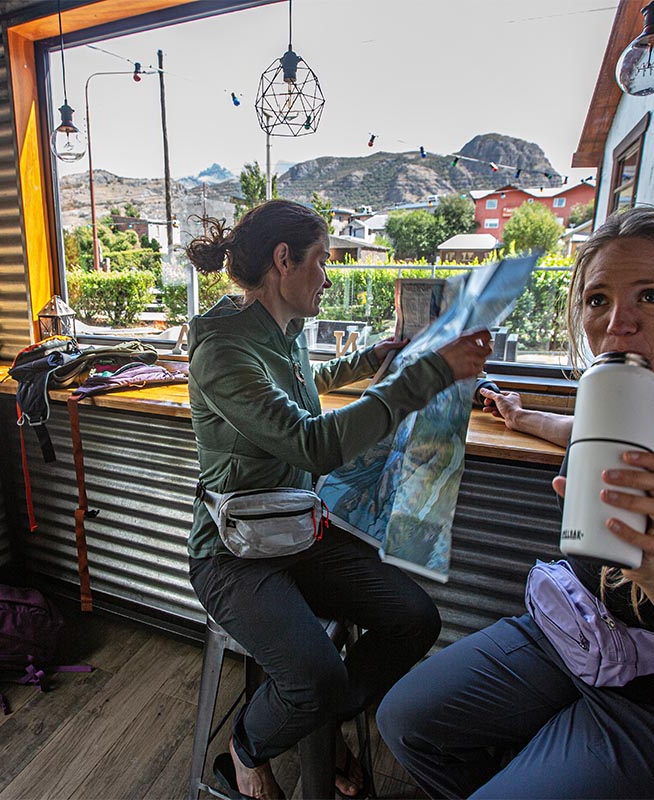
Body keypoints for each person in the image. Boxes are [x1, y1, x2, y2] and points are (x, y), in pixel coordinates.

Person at [376, 205, 654, 799]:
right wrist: (525, 417)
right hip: (577, 637)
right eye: (598, 300)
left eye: (651, 296)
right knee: (407, 721)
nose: (619, 322)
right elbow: (585, 434)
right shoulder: (625, 398)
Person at [185, 199, 493, 800]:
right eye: (322, 261)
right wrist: (424, 375)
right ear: (284, 260)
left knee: (414, 619)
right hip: (232, 553)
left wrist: (368, 360)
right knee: (317, 676)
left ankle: (315, 723)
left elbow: (303, 382)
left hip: (297, 530)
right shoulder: (223, 350)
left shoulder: (283, 329)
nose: (328, 276)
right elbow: (314, 442)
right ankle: (246, 748)